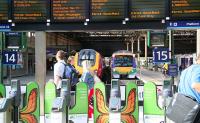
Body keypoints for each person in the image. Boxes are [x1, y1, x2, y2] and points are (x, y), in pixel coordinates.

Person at [178, 54, 200, 122]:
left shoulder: (185, 71)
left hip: (185, 108)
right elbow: (195, 85)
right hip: (196, 109)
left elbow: (180, 90)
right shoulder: (198, 68)